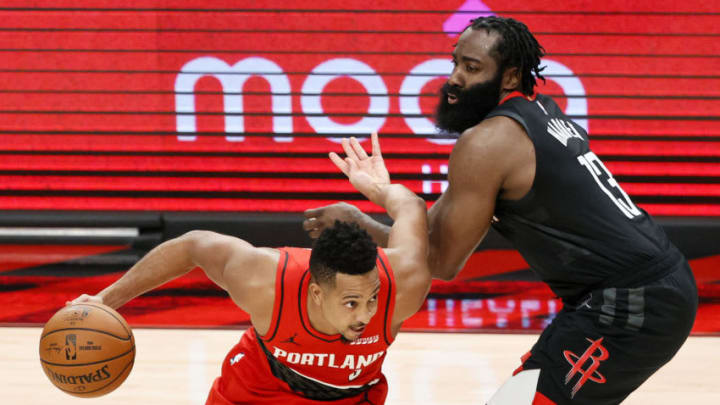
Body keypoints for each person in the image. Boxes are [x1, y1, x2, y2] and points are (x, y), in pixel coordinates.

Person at [303, 16, 698, 405]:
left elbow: (440, 260)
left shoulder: (487, 142)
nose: (454, 78)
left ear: (509, 77)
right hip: (645, 289)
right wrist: (385, 193)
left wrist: (360, 223)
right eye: (455, 62)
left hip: (631, 302)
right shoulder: (537, 109)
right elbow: (436, 232)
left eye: (472, 68)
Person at [69, 132, 432, 404]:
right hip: (256, 392)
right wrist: (106, 300)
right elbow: (193, 245)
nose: (366, 313)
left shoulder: (403, 285)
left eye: (372, 299)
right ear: (316, 293)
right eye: (351, 303)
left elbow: (412, 208)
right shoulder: (267, 282)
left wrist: (377, 189)